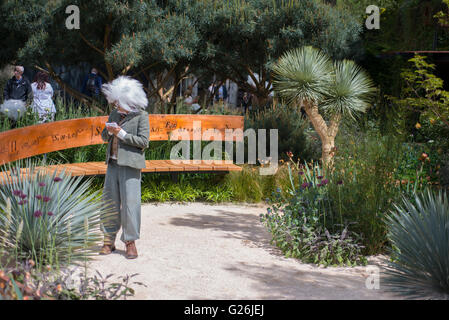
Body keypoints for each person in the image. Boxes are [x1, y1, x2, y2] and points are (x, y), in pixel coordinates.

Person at [99, 76, 150, 259]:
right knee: (109, 202)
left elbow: (144, 142)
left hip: (130, 165)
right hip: (112, 164)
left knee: (131, 204)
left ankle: (130, 242)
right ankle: (108, 240)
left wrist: (121, 133)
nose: (115, 105)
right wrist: (108, 130)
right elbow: (105, 137)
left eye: (118, 102)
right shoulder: (114, 114)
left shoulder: (141, 116)